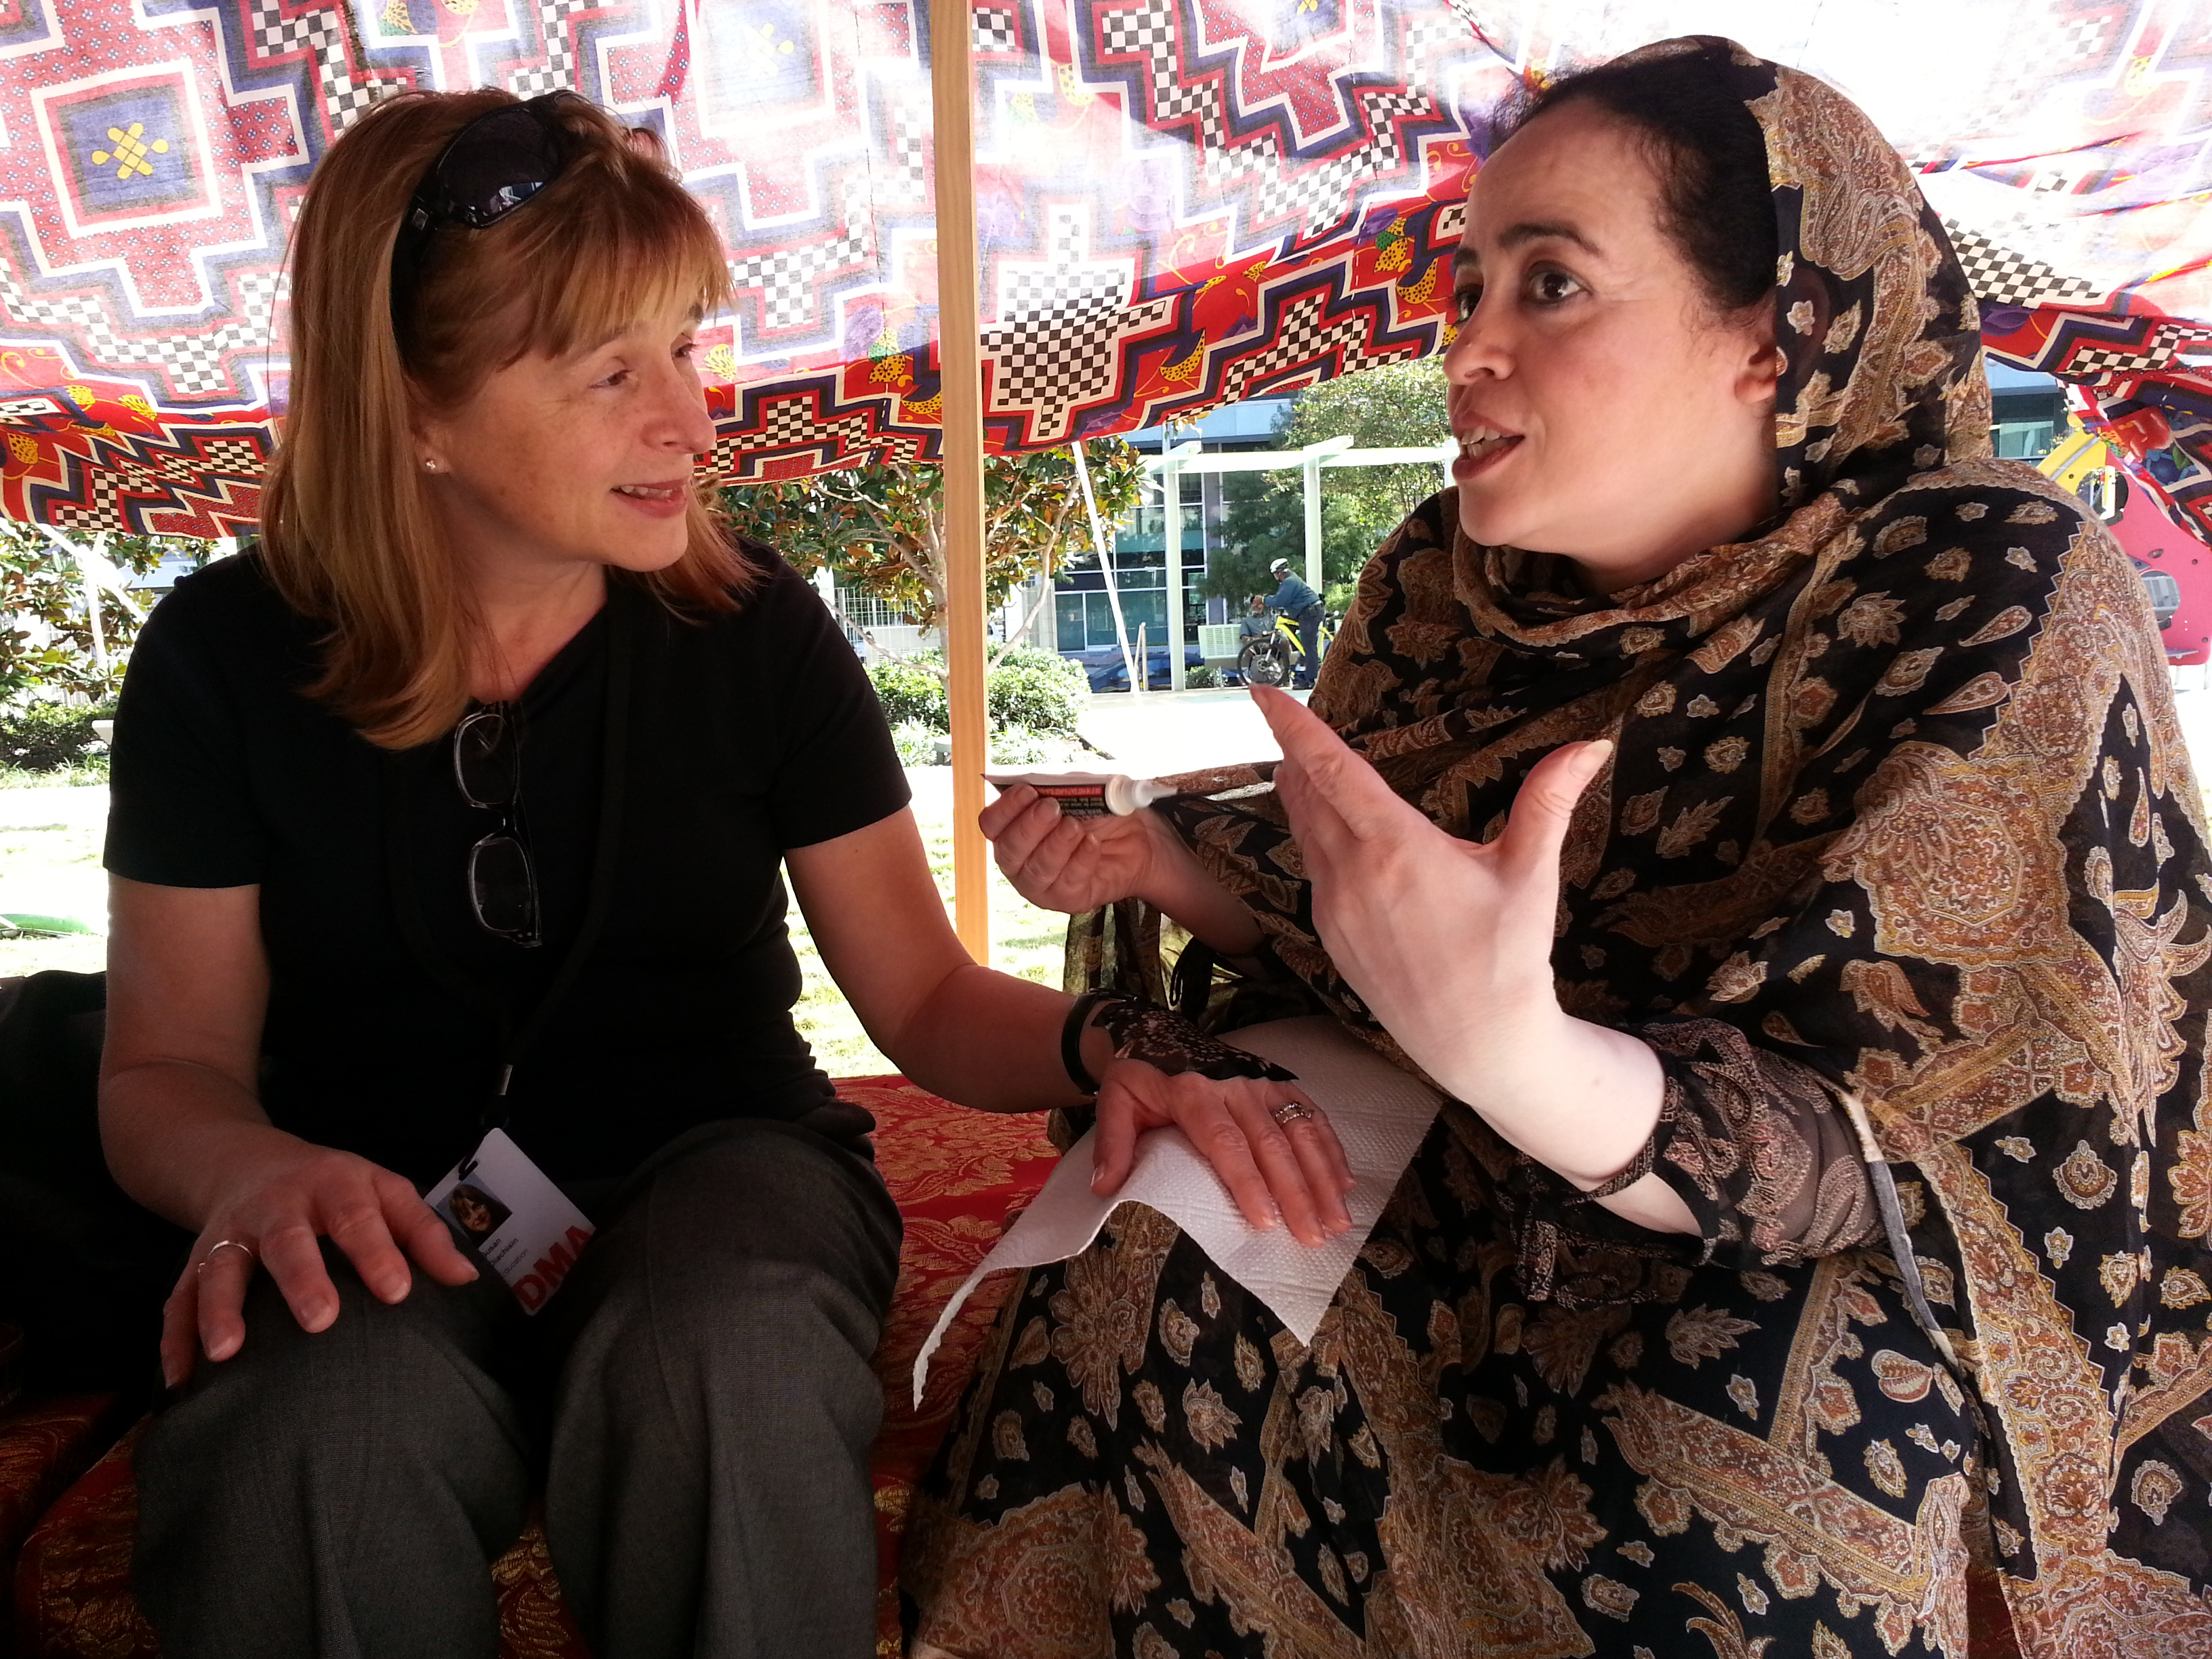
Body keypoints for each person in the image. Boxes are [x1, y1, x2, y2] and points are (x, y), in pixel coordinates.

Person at [905, 37, 2212, 1657]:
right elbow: (1380, 929)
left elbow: (1941, 1147)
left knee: (1737, 1458)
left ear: (1772, 334)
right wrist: (1175, 870)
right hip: (1449, 1186)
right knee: (1154, 1257)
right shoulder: (1440, 589)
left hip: (1780, 1258)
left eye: (1553, 286)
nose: (1469, 348)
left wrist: (1517, 1048)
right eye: (1471, 289)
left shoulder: (1988, 590)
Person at [100, 89, 1355, 1659]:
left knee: (728, 1347)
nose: (690, 418)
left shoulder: (755, 631)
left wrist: (1115, 1040)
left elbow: (918, 991)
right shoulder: (222, 658)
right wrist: (250, 1170)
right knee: (308, 1422)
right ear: (412, 404)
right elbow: (165, 1069)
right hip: (368, 1203)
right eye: (607, 370)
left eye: (686, 348)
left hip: (729, 1165)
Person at [1264, 558, 1324, 687]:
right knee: (1302, 644)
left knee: (1308, 647)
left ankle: (1311, 680)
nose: (1276, 577)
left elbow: (1280, 601)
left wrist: (1264, 600)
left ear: (1280, 573)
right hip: (1306, 612)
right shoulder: (1290, 580)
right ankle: (1301, 676)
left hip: (1309, 613)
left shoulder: (1289, 582)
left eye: (1275, 574)